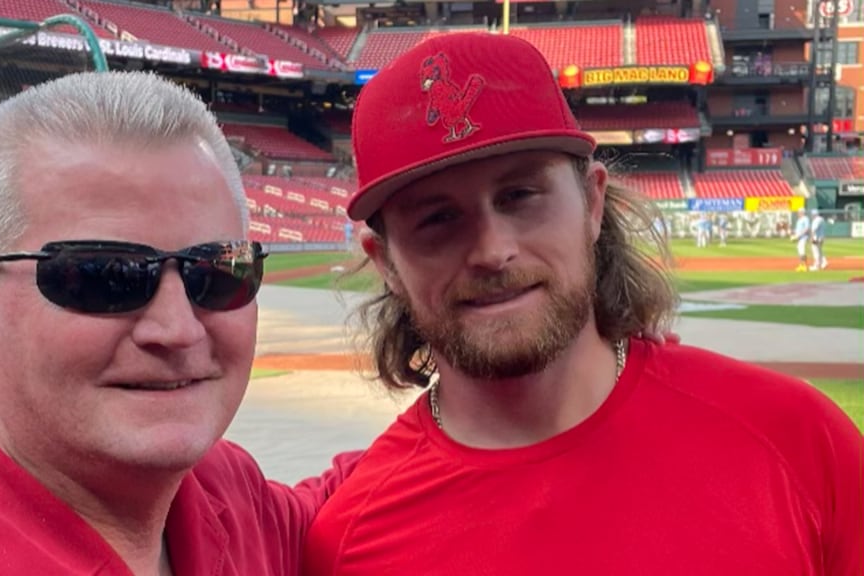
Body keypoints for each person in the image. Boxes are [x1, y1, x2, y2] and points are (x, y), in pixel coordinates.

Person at [304, 33, 862, 575]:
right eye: (438, 219)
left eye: (520, 195)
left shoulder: (799, 442)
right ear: (386, 264)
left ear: (593, 203)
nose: (493, 250)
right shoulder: (349, 540)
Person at [0, 71, 359, 574]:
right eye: (104, 276)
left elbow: (378, 491)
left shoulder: (226, 489)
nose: (178, 329)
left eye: (218, 273)